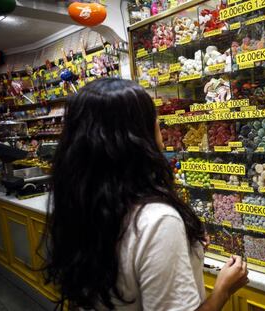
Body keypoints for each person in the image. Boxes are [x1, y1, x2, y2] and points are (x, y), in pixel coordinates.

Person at [43, 78, 248, 310]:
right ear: (137, 137)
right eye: (156, 121)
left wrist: (185, 246)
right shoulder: (157, 220)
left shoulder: (81, 203)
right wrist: (223, 289)